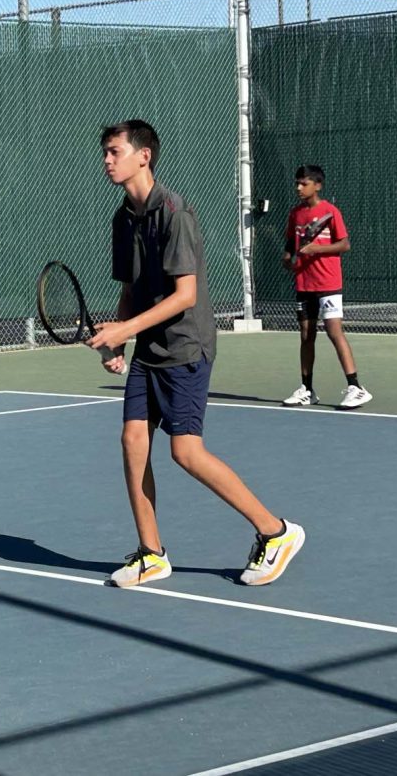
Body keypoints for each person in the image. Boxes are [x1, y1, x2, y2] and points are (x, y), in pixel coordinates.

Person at [88, 120, 305, 588]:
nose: (106, 160)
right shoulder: (122, 218)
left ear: (143, 156)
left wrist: (127, 328)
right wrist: (120, 340)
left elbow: (185, 295)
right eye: (104, 153)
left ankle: (276, 532)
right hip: (148, 349)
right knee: (132, 442)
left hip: (186, 345)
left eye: (113, 151)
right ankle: (151, 554)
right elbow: (130, 284)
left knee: (185, 452)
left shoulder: (175, 212)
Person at [282, 165, 372, 409]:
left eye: (304, 183)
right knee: (305, 335)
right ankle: (307, 390)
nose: (299, 187)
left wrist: (317, 249)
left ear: (317, 185)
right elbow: (292, 239)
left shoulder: (331, 212)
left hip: (328, 283)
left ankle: (356, 387)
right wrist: (287, 255)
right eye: (297, 183)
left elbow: (344, 245)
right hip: (304, 282)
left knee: (334, 331)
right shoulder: (295, 214)